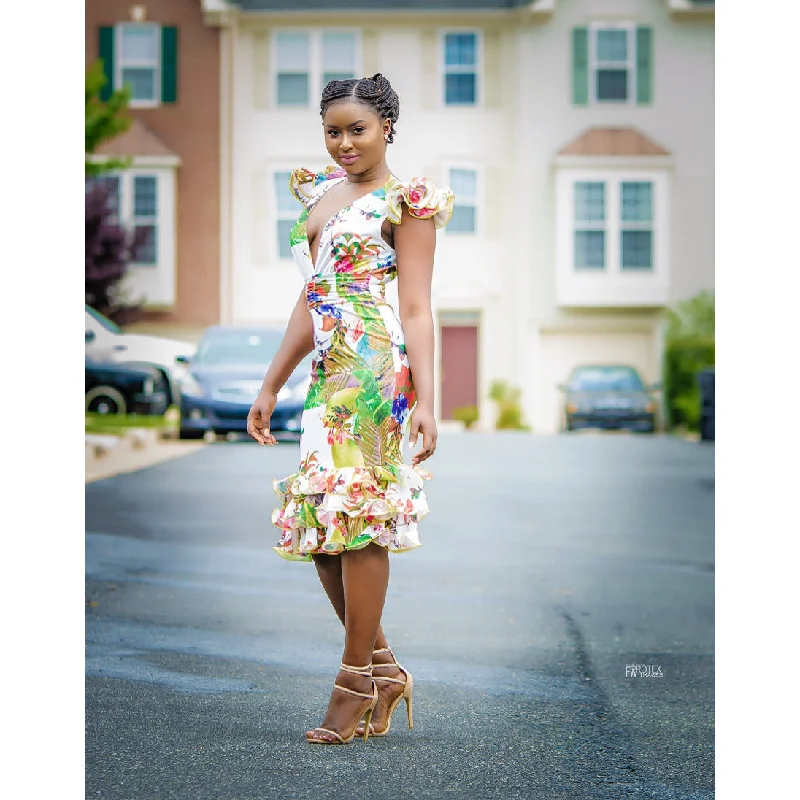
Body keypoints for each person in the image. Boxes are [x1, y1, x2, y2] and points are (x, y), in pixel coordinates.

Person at [246, 73, 454, 745]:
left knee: (358, 522)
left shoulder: (407, 201)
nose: (343, 143)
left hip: (372, 371)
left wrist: (428, 397)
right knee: (322, 528)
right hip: (327, 372)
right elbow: (313, 299)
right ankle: (384, 669)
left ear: (387, 128)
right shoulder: (319, 194)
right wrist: (271, 382)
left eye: (357, 129)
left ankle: (352, 683)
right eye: (332, 130)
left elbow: (418, 308)